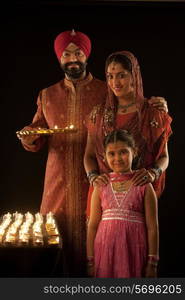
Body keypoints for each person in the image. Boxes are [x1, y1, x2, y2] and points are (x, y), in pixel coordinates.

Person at [17, 31, 168, 277]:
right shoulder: (47, 95)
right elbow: (37, 130)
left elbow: (134, 110)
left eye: (78, 53)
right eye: (66, 54)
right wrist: (29, 137)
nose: (72, 58)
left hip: (102, 183)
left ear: (87, 56)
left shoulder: (105, 91)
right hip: (57, 182)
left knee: (102, 243)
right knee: (53, 241)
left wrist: (158, 106)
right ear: (59, 58)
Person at [84, 50, 172, 218]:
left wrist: (153, 173)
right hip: (104, 194)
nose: (115, 82)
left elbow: (164, 157)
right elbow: (88, 155)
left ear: (134, 76)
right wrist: (93, 177)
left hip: (138, 194)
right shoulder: (98, 114)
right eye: (110, 76)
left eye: (121, 75)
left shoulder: (152, 113)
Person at [86, 129, 159, 278]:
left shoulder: (144, 184)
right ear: (104, 157)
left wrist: (152, 262)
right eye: (111, 154)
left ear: (135, 151)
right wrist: (91, 261)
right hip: (105, 249)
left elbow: (153, 227)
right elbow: (92, 225)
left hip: (135, 248)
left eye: (123, 152)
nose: (117, 158)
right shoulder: (101, 184)